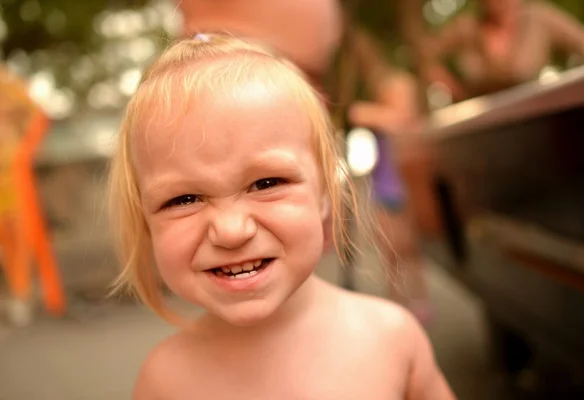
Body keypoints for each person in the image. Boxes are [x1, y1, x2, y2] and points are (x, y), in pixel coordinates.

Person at [108, 34, 455, 399]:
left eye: (266, 182)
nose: (231, 230)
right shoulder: (164, 382)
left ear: (325, 191)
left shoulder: (392, 339)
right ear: (144, 219)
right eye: (184, 199)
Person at [172, 0, 432, 322]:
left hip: (394, 173)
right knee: (387, 239)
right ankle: (402, 296)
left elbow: (402, 121)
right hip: (379, 176)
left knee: (402, 243)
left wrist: (359, 113)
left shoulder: (395, 85)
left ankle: (414, 297)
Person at [421, 0, 584, 101]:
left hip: (536, 112)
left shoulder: (539, 18)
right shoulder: (467, 27)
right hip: (482, 124)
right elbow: (426, 57)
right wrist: (449, 86)